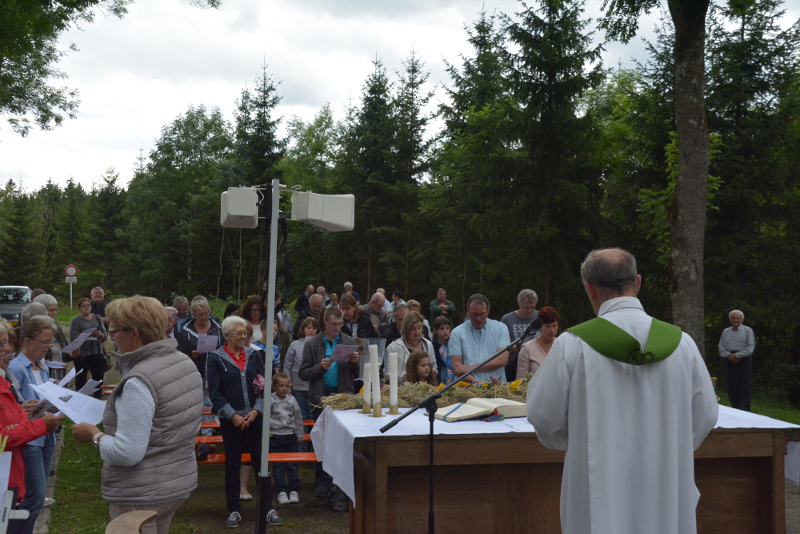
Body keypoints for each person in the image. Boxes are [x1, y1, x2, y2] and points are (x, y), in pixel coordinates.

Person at [527, 248, 719, 534]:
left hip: (598, 481)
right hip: (664, 482)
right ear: (637, 282)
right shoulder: (683, 344)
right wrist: (669, 445)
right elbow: (705, 415)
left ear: (590, 288)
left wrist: (578, 439)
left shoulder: (572, 345)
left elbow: (542, 414)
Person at [72, 296, 203, 534]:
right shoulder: (183, 362)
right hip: (175, 483)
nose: (112, 337)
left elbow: (127, 452)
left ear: (134, 333)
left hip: (141, 492)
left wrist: (93, 435)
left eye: (115, 331)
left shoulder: (139, 381)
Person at [207, 316, 282, 528]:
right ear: (227, 335)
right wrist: (233, 415)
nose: (244, 337)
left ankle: (267, 507)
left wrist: (256, 411)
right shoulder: (216, 358)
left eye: (246, 333)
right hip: (230, 420)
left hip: (254, 419)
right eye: (239, 333)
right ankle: (234, 510)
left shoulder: (254, 354)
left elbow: (263, 385)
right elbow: (215, 393)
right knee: (232, 464)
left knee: (261, 463)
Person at [298, 307, 359, 497]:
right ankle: (323, 481)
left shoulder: (349, 341)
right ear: (325, 322)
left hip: (343, 398)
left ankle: (340, 482)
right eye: (334, 324)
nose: (337, 328)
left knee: (341, 440)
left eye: (340, 324)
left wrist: (354, 362)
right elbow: (303, 373)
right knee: (323, 440)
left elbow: (357, 374)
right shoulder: (313, 343)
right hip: (320, 397)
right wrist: (320, 367)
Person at [8, 318, 62, 534]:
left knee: (37, 496)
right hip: (29, 438)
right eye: (44, 342)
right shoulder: (16, 367)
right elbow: (17, 406)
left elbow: (41, 398)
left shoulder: (42, 365)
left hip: (45, 434)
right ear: (27, 341)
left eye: (50, 342)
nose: (48, 346)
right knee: (34, 496)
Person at [180, 299, 223, 436]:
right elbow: (180, 350)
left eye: (206, 314)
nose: (204, 317)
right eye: (200, 315)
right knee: (194, 401)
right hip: (194, 369)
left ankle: (207, 433)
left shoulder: (217, 327)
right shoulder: (186, 330)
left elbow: (224, 345)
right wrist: (190, 353)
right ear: (193, 315)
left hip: (213, 369)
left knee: (209, 400)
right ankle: (191, 432)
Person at [449, 294, 510, 384]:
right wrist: (479, 384)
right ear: (468, 312)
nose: (478, 318)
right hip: (469, 387)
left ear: (488, 311)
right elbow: (457, 367)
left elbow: (502, 360)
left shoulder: (501, 328)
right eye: (474, 314)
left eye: (482, 314)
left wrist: (470, 368)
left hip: (497, 387)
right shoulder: (457, 332)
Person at [270, 372, 304, 505]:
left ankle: (293, 489)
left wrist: (300, 434)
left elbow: (298, 417)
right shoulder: (270, 400)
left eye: (286, 386)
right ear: (274, 386)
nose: (284, 389)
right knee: (278, 464)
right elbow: (264, 419)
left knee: (292, 463)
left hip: (290, 435)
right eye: (281, 385)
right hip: (275, 436)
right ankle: (281, 490)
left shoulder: (292, 400)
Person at [283, 317, 319, 425]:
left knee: (314, 416)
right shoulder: (294, 345)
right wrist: (288, 386)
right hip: (298, 387)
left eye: (314, 328)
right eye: (308, 327)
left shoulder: (320, 345)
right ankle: (301, 436)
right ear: (303, 329)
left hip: (315, 387)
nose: (311, 330)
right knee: (300, 415)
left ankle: (313, 436)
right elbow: (287, 366)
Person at [69, 297, 108, 399]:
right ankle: (79, 399)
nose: (86, 307)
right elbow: (73, 338)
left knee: (98, 379)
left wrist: (100, 335)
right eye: (84, 306)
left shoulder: (97, 318)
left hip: (97, 352)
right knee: (81, 378)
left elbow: (104, 336)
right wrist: (89, 334)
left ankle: (97, 399)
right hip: (82, 354)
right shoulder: (76, 320)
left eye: (88, 305)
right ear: (79, 308)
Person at [718, 309, 755, 411]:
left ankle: (745, 411)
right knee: (731, 386)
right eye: (733, 318)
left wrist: (737, 356)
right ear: (730, 320)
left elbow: (750, 347)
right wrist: (729, 355)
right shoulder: (725, 332)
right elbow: (721, 347)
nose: (735, 320)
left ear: (742, 319)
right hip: (729, 360)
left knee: (744, 386)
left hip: (743, 360)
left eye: (738, 318)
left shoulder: (748, 331)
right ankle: (734, 410)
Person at [501, 289, 539, 381]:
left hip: (535, 363)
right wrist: (511, 347)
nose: (529, 311)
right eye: (526, 307)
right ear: (519, 304)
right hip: (513, 364)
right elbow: (500, 344)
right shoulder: (507, 319)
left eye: (532, 307)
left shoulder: (539, 316)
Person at [387, 311, 437, 381]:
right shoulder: (393, 347)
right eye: (413, 329)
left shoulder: (428, 344)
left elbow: (434, 366)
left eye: (419, 328)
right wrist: (406, 376)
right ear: (406, 329)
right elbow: (388, 373)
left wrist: (433, 371)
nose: (417, 332)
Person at [516, 306, 559, 379]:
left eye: (554, 326)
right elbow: (521, 378)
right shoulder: (527, 348)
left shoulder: (563, 345)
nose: (552, 330)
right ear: (540, 327)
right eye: (547, 326)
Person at [431, 316, 453, 384]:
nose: (445, 331)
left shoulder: (453, 344)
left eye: (447, 328)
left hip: (452, 376)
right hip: (440, 378)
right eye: (442, 329)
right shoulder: (432, 346)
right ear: (435, 330)